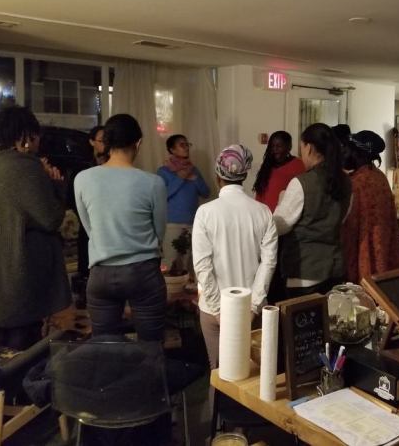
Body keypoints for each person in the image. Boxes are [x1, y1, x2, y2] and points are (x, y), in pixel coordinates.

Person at [0, 106, 71, 350]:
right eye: (35, 135)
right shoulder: (26, 168)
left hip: (3, 258)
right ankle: (25, 375)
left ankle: (4, 371)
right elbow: (49, 218)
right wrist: (56, 186)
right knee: (26, 336)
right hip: (25, 262)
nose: (38, 141)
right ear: (25, 137)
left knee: (8, 330)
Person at [75, 114, 168, 341]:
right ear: (138, 143)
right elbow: (159, 232)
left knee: (105, 345)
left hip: (101, 273)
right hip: (143, 272)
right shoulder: (153, 182)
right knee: (151, 345)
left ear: (106, 142)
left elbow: (89, 228)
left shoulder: (82, 179)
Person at [192, 145, 278, 369]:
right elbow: (268, 263)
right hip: (252, 310)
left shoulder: (205, 213)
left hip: (213, 311)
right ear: (245, 175)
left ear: (218, 176)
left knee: (219, 374)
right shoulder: (263, 212)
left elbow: (202, 267)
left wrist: (218, 311)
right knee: (253, 373)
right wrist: (253, 307)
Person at [273, 123, 352, 299]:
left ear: (308, 148)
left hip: (305, 270)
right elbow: (342, 218)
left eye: (301, 148)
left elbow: (279, 226)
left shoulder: (302, 183)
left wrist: (281, 200)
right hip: (335, 268)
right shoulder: (346, 181)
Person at [342, 130, 399, 282]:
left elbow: (349, 226)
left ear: (357, 153)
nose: (344, 154)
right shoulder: (380, 177)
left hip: (362, 253)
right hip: (383, 251)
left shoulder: (356, 183)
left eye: (348, 150)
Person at [157, 134, 210, 272]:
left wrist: (195, 179)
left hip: (193, 223)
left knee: (190, 265)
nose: (186, 148)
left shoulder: (194, 170)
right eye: (182, 145)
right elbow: (161, 195)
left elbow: (206, 193)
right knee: (171, 263)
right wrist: (180, 178)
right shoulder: (163, 171)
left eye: (187, 144)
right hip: (172, 224)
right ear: (172, 149)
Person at [75, 125, 108, 295]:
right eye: (102, 140)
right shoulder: (82, 168)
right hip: (88, 223)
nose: (106, 144)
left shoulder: (114, 166)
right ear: (92, 142)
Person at [253, 131, 306, 212]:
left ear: (289, 147)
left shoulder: (299, 165)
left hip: (284, 216)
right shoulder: (267, 166)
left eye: (279, 146)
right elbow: (259, 194)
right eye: (272, 146)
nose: (275, 150)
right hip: (263, 214)